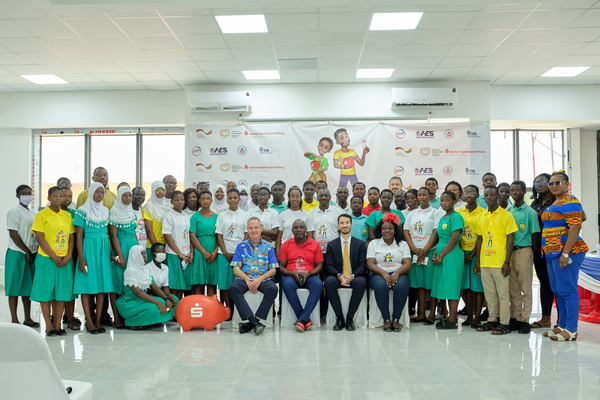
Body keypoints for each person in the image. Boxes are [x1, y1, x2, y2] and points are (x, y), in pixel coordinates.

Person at [541, 171, 588, 341]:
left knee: (568, 290)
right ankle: (562, 326)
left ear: (567, 184)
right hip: (551, 252)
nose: (554, 186)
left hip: (567, 252)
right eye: (551, 183)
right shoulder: (557, 201)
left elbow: (576, 227)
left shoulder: (570, 201)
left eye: (558, 182)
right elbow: (582, 216)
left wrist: (566, 253)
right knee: (558, 290)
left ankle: (571, 329)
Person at [30, 186, 76, 336]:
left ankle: (58, 325)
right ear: (48, 198)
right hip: (46, 259)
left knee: (61, 293)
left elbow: (71, 238)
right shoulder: (41, 215)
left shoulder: (67, 216)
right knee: (46, 293)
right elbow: (40, 238)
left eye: (61, 196)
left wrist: (68, 256)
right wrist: (54, 256)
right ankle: (49, 326)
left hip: (64, 261)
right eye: (55, 196)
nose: (58, 198)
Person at [475, 185, 517, 335]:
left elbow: (510, 239)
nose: (489, 198)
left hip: (500, 262)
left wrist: (507, 262)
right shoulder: (481, 216)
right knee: (490, 295)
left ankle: (504, 323)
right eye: (486, 195)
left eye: (492, 195)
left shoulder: (506, 215)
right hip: (485, 261)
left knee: (503, 295)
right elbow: (480, 239)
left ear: (498, 196)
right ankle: (492, 320)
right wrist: (478, 261)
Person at [73, 182, 113, 334]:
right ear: (90, 193)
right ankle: (89, 321)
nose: (100, 195)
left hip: (103, 250)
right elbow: (78, 236)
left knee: (102, 287)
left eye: (102, 193)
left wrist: (111, 253)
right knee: (87, 287)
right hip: (88, 249)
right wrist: (81, 258)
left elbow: (108, 234)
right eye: (97, 192)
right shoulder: (82, 211)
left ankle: (98, 321)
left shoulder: (106, 211)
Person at [229, 217, 279, 335]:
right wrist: (247, 279)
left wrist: (259, 279)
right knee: (233, 288)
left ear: (261, 228)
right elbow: (236, 269)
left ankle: (254, 321)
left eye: (256, 227)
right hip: (244, 278)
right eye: (251, 228)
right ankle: (253, 321)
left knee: (273, 289)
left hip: (263, 279)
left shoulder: (269, 247)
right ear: (247, 230)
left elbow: (273, 270)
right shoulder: (241, 246)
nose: (254, 230)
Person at [367, 213, 412, 332]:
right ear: (380, 230)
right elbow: (370, 263)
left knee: (401, 286)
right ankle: (386, 318)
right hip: (378, 274)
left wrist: (396, 273)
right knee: (381, 285)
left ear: (395, 230)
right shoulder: (373, 243)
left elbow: (407, 263)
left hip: (399, 273)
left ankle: (396, 318)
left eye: (390, 228)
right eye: (384, 228)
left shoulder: (403, 244)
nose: (387, 231)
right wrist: (384, 274)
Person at [404, 187, 442, 324]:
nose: (421, 197)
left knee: (430, 285)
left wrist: (425, 250)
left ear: (429, 196)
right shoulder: (412, 214)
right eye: (419, 195)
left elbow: (436, 232)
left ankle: (431, 314)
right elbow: (406, 232)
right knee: (419, 284)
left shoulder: (435, 212)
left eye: (424, 195)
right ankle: (420, 314)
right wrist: (414, 249)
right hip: (415, 252)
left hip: (430, 252)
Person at [278, 219, 324, 332]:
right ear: (292, 230)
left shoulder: (315, 244)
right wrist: (292, 274)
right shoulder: (286, 245)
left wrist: (309, 274)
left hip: (310, 276)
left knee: (318, 284)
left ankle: (302, 319)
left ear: (306, 229)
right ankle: (304, 318)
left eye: (301, 227)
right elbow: (281, 267)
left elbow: (319, 266)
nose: (299, 230)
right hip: (291, 276)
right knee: (286, 283)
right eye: (296, 227)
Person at [116, 245, 176, 329]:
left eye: (144, 253)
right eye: (141, 254)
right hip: (131, 302)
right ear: (135, 256)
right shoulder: (130, 271)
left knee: (173, 301)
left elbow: (154, 287)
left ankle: (151, 321)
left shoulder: (146, 269)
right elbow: (137, 292)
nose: (144, 256)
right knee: (155, 307)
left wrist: (167, 298)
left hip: (142, 300)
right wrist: (158, 303)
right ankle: (132, 323)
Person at [508, 180, 540, 334]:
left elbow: (535, 235)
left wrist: (530, 254)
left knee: (525, 288)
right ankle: (516, 317)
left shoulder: (530, 212)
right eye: (512, 191)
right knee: (513, 288)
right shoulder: (509, 212)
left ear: (524, 192)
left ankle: (525, 320)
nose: (514, 193)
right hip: (510, 252)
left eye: (517, 190)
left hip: (524, 251)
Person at [324, 214, 367, 331]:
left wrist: (352, 276)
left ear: (351, 224)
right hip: (338, 276)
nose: (344, 225)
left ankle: (350, 318)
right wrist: (339, 276)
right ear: (338, 225)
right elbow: (329, 265)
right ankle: (339, 318)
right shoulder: (332, 245)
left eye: (347, 223)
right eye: (342, 223)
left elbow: (363, 265)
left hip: (354, 276)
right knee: (329, 282)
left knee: (361, 282)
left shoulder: (360, 244)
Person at [5, 185, 38, 327]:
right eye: (23, 194)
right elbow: (13, 234)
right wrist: (27, 252)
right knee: (14, 287)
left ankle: (28, 318)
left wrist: (33, 252)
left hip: (31, 253)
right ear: (17, 196)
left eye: (29, 193)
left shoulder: (33, 214)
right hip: (17, 253)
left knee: (27, 288)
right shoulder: (14, 212)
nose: (27, 196)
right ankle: (14, 319)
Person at [431, 191, 464, 329]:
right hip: (442, 252)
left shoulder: (456, 217)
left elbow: (454, 239)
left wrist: (441, 255)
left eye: (447, 200)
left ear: (455, 201)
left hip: (451, 254)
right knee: (444, 284)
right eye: (442, 200)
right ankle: (449, 315)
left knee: (452, 285)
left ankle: (452, 319)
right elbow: (440, 237)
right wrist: (435, 253)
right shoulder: (444, 217)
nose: (444, 203)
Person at [108, 186, 138, 329]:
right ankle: (116, 318)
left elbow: (135, 232)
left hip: (132, 247)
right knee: (117, 284)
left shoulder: (132, 212)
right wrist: (120, 255)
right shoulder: (114, 212)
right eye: (124, 196)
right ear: (119, 197)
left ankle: (128, 316)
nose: (127, 198)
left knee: (130, 283)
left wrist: (139, 251)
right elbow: (113, 235)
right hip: (121, 247)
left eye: (129, 196)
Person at [216, 188, 249, 315]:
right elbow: (219, 235)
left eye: (235, 197)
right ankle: (229, 312)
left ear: (239, 199)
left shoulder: (245, 215)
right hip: (224, 254)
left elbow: (246, 234)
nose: (232, 200)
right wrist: (224, 252)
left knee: (239, 282)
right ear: (227, 199)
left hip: (240, 254)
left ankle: (239, 312)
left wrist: (239, 252)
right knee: (225, 283)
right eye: (230, 198)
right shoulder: (221, 216)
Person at [529, 173, 555, 329]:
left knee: (557, 283)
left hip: (555, 246)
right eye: (536, 183)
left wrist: (544, 216)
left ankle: (563, 320)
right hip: (538, 247)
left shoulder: (560, 201)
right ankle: (545, 318)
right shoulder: (535, 203)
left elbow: (580, 217)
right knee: (544, 282)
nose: (538, 185)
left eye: (542, 182)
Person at [457, 185, 486, 327]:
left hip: (477, 255)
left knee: (477, 287)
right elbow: (456, 234)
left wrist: (473, 254)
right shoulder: (458, 212)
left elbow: (482, 236)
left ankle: (477, 317)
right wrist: (463, 253)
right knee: (466, 288)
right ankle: (469, 316)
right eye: (466, 193)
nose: (468, 195)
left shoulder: (483, 213)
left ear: (477, 195)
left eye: (471, 193)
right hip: (462, 255)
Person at [162, 190, 193, 300]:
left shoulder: (186, 216)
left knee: (185, 285)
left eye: (182, 200)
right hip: (174, 254)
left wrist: (191, 251)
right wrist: (179, 253)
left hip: (187, 254)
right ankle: (175, 308)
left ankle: (184, 308)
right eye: (177, 200)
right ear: (171, 202)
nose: (180, 202)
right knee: (175, 286)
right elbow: (167, 236)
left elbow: (190, 235)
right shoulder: (169, 216)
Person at [190, 190, 219, 296]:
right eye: (203, 199)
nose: (205, 201)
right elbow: (192, 236)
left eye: (208, 199)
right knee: (199, 283)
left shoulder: (217, 217)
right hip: (199, 252)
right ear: (199, 201)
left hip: (213, 253)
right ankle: (199, 305)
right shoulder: (195, 217)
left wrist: (216, 251)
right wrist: (203, 251)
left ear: (211, 201)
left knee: (212, 283)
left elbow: (219, 236)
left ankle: (211, 306)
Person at [276, 187, 314, 256]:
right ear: (289, 198)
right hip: (286, 250)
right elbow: (279, 237)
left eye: (298, 196)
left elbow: (310, 236)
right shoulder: (282, 215)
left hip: (303, 250)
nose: (295, 199)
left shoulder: (307, 215)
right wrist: (278, 254)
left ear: (301, 198)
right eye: (292, 196)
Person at [142, 181, 170, 261]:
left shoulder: (168, 206)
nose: (160, 192)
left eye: (162, 190)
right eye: (157, 190)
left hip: (165, 245)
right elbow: (149, 230)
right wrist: (156, 247)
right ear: (153, 191)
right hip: (152, 245)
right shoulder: (148, 206)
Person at [310, 189, 342, 254]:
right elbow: (310, 233)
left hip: (334, 250)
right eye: (321, 196)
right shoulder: (311, 213)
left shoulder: (338, 212)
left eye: (326, 195)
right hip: (316, 250)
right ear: (317, 198)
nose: (323, 197)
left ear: (330, 197)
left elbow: (341, 231)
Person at [146, 243, 177, 309]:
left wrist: (169, 296)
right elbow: (152, 288)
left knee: (175, 299)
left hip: (162, 294)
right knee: (162, 302)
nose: (161, 254)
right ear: (152, 254)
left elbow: (165, 287)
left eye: (163, 252)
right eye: (158, 252)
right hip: (151, 294)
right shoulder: (147, 268)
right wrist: (166, 298)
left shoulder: (165, 268)